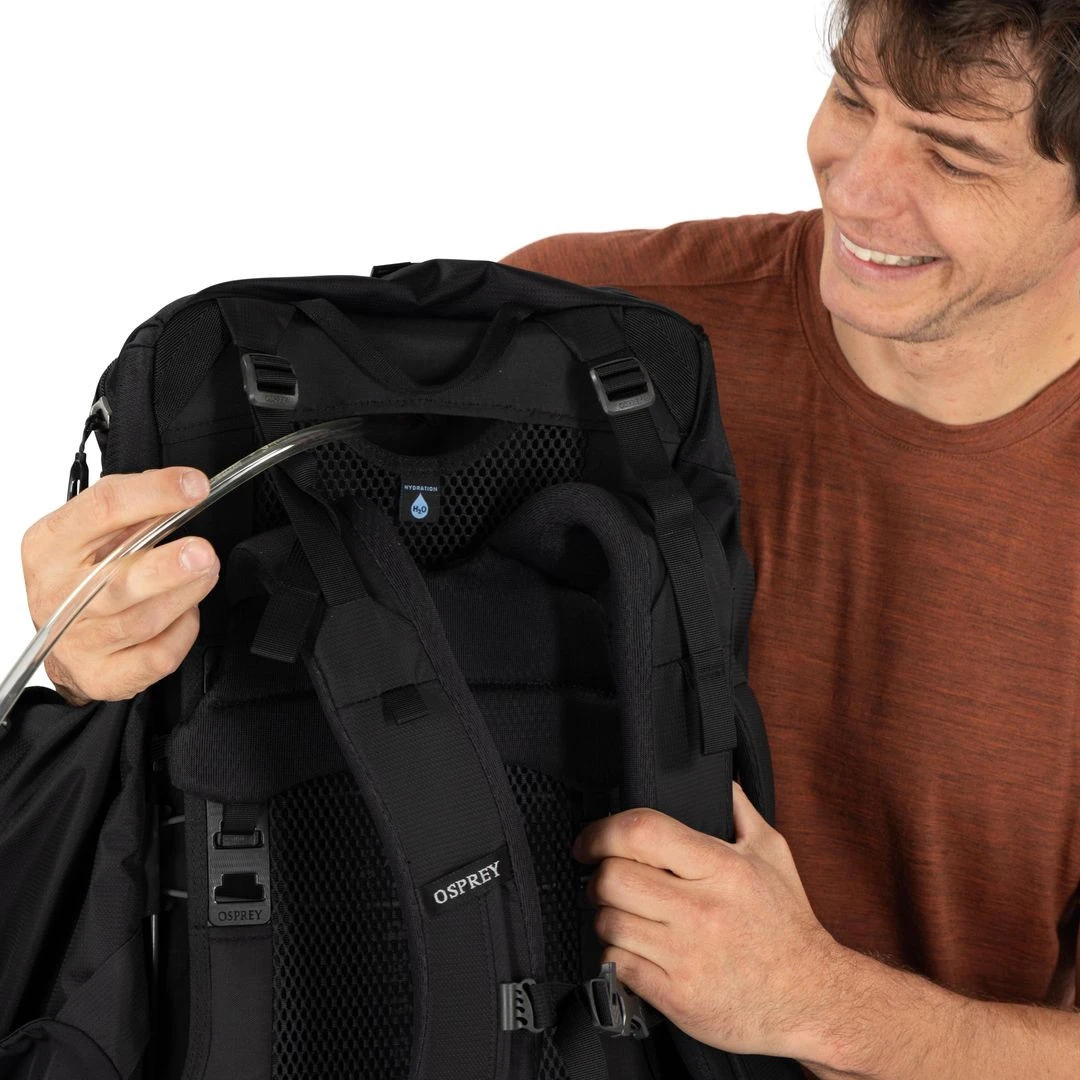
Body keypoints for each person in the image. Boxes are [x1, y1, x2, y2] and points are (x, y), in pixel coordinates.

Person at [16, 1, 1080, 1076]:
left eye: (953, 154)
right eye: (853, 96)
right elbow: (234, 752)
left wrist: (816, 1003)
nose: (856, 187)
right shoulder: (594, 357)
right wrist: (96, 660)